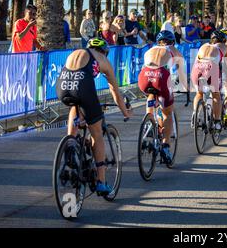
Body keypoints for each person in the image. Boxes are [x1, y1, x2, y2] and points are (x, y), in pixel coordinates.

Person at [56, 38, 132, 195]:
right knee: (97, 134)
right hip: (82, 86)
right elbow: (115, 92)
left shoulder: (76, 52)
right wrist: (126, 112)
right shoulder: (102, 59)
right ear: (104, 51)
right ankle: (102, 182)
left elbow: (73, 76)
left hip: (62, 87)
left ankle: (71, 142)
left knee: (75, 105)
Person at [138, 30, 187, 163]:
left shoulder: (150, 49)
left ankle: (150, 123)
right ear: (172, 42)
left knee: (151, 93)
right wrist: (186, 90)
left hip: (144, 77)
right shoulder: (173, 50)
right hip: (161, 77)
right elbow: (181, 73)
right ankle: (165, 146)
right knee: (167, 113)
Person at [190, 31, 226, 131]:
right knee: (216, 95)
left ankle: (195, 114)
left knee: (199, 93)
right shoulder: (223, 47)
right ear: (223, 41)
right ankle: (217, 121)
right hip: (210, 68)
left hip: (197, 67)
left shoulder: (204, 45)